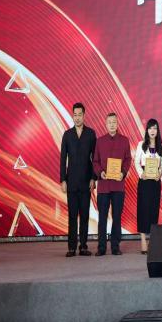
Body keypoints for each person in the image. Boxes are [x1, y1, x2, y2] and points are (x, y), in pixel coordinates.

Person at [59, 102, 97, 257]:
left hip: (86, 181)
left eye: (80, 114)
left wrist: (93, 178)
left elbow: (95, 158)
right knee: (72, 216)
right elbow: (63, 159)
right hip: (71, 182)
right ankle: (71, 247)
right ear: (72, 116)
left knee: (85, 216)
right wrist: (63, 179)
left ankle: (83, 246)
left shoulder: (91, 134)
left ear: (84, 115)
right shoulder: (67, 135)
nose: (77, 117)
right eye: (75, 115)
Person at [92, 113, 131, 256]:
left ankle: (115, 246)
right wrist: (100, 172)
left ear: (117, 123)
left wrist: (123, 172)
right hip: (103, 186)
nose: (112, 124)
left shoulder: (125, 141)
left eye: (114, 122)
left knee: (117, 217)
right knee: (102, 217)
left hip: (118, 185)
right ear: (106, 124)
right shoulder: (99, 141)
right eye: (109, 122)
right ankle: (101, 247)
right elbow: (95, 161)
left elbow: (128, 159)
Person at [134, 118, 162, 254]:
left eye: (155, 128)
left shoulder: (160, 146)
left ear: (157, 131)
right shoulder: (141, 144)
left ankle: (152, 240)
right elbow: (136, 162)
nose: (152, 131)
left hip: (155, 181)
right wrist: (141, 174)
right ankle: (143, 240)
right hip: (145, 180)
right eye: (150, 128)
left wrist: (160, 173)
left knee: (153, 209)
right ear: (147, 130)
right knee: (143, 209)